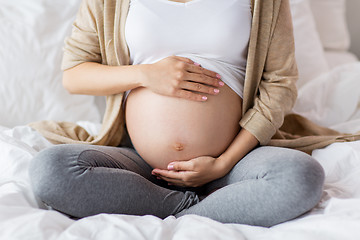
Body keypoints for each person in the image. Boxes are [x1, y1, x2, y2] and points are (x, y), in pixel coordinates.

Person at [28, 0, 326, 227]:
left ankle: (179, 210)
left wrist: (222, 163)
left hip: (233, 162)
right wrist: (145, 75)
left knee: (300, 176)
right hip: (142, 165)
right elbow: (75, 74)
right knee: (50, 171)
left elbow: (280, 83)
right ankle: (193, 208)